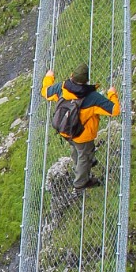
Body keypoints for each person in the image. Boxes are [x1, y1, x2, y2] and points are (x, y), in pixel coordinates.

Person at [41, 62, 120, 190]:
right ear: (86, 80)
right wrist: (112, 94)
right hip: (82, 134)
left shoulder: (62, 88)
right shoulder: (92, 97)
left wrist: (49, 77)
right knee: (85, 154)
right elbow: (115, 110)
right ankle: (81, 182)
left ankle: (79, 163)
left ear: (72, 75)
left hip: (65, 129)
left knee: (75, 147)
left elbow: (45, 92)